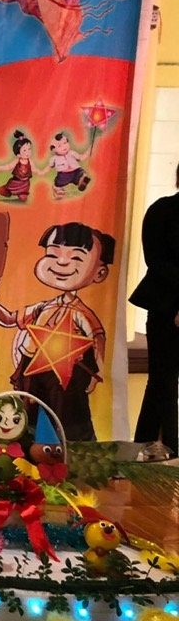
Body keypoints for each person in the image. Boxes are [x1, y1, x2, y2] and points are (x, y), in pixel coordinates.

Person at [0, 221, 114, 442]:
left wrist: (96, 374)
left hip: (64, 379)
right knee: (29, 416)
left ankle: (71, 451)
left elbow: (97, 340)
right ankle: (27, 448)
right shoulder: (42, 308)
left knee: (66, 420)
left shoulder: (81, 313)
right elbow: (8, 319)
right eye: (53, 255)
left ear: (99, 273)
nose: (61, 263)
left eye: (76, 258)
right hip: (31, 373)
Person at [130, 165, 179, 460]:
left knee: (161, 382)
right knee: (163, 380)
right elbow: (157, 261)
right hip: (165, 307)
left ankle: (149, 446)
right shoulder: (162, 210)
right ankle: (163, 449)